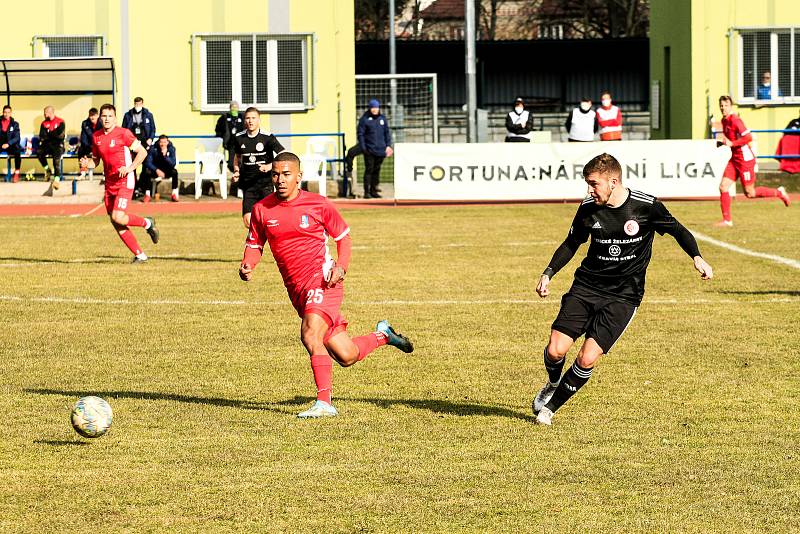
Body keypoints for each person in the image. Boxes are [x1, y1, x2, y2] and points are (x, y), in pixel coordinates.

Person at [531, 153, 714, 426]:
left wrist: (697, 257)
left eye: (594, 184)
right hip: (586, 287)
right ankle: (553, 382)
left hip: (623, 296)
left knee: (587, 357)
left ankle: (549, 410)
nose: (589, 190)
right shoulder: (588, 208)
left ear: (613, 182)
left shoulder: (646, 206)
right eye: (587, 184)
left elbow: (679, 230)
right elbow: (572, 243)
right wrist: (548, 273)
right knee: (556, 350)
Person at [238, 151, 413, 418]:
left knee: (310, 334)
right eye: (276, 174)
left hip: (324, 281)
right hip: (297, 291)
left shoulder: (318, 204)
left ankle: (325, 403)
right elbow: (254, 244)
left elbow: (344, 237)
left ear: (299, 176)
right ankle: (383, 335)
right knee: (346, 356)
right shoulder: (262, 209)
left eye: (286, 174)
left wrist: (341, 265)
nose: (280, 179)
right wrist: (248, 264)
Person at [79, 103, 160, 264]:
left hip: (125, 180)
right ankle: (140, 255)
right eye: (104, 116)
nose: (107, 119)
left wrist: (130, 168)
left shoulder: (124, 134)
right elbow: (96, 160)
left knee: (118, 216)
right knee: (115, 221)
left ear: (115, 118)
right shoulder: (96, 136)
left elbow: (142, 152)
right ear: (100, 118)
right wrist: (87, 163)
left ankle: (147, 223)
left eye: (110, 116)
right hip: (110, 183)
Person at [716, 95, 790, 227]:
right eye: (721, 105)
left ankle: (779, 192)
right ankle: (727, 220)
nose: (723, 108)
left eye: (726, 105)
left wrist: (732, 143)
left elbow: (748, 137)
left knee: (750, 193)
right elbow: (732, 140)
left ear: (731, 106)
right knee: (723, 186)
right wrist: (724, 143)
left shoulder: (736, 121)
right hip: (734, 159)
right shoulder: (724, 120)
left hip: (745, 160)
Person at [232, 107, 285, 228]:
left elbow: (283, 154)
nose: (250, 121)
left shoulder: (267, 137)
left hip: (266, 184)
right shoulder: (239, 138)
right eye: (248, 118)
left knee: (270, 220)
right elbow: (237, 157)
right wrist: (236, 171)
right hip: (248, 185)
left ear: (259, 120)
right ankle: (257, 241)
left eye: (253, 118)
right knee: (247, 221)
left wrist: (269, 166)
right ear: (245, 120)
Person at [357, 99, 393, 198]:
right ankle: (366, 192)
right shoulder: (364, 119)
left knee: (376, 171)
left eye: (376, 108)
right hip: (369, 150)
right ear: (370, 108)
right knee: (369, 170)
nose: (374, 110)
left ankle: (374, 190)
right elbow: (361, 134)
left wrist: (388, 145)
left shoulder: (382, 119)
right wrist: (364, 147)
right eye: (372, 108)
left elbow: (387, 133)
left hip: (380, 150)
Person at [140, 134, 179, 202]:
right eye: (161, 142)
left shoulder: (171, 149)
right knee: (147, 172)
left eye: (164, 142)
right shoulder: (153, 149)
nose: (162, 144)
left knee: (174, 172)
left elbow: (173, 163)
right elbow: (148, 162)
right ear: (158, 142)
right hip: (156, 170)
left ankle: (174, 194)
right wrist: (156, 170)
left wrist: (166, 156)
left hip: (166, 170)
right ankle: (147, 195)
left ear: (167, 142)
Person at [38, 106, 65, 187]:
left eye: (45, 113)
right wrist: (53, 134)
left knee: (56, 159)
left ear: (50, 113)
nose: (44, 115)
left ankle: (57, 179)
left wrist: (49, 133)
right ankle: (47, 169)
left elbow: (60, 136)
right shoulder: (43, 123)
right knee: (39, 153)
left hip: (58, 145)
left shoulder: (60, 122)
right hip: (47, 144)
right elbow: (42, 136)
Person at [215, 100, 244, 173]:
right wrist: (223, 137)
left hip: (242, 142)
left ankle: (240, 173)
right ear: (230, 108)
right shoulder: (224, 117)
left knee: (242, 160)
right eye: (233, 107)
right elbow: (218, 130)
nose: (234, 108)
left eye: (236, 107)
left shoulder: (242, 117)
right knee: (231, 163)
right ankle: (234, 171)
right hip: (231, 143)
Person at [0, 105, 22, 182]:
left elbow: (17, 137)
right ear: (3, 113)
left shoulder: (15, 124)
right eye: (5, 112)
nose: (6, 114)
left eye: (8, 112)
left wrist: (8, 143)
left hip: (11, 144)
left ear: (11, 113)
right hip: (1, 144)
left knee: (17, 152)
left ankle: (16, 173)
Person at [78, 107, 101, 179]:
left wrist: (96, 147)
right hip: (88, 146)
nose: (92, 117)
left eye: (94, 115)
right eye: (90, 115)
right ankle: (83, 172)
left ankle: (106, 174)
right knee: (81, 150)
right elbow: (83, 138)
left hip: (99, 145)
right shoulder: (85, 123)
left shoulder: (102, 123)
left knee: (107, 152)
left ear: (97, 116)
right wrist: (90, 148)